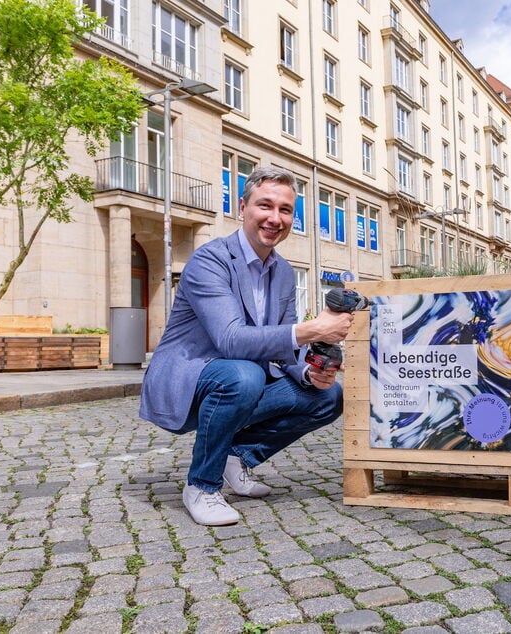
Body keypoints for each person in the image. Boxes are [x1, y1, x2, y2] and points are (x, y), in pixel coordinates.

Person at [140, 166, 353, 526]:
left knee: (328, 397)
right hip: (192, 376)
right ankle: (201, 487)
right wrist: (313, 328)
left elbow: (282, 344)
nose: (275, 218)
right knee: (244, 374)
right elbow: (231, 339)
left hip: (241, 379)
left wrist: (308, 370)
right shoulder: (211, 260)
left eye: (285, 210)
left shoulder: (283, 271)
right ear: (242, 207)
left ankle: (237, 458)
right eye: (265, 206)